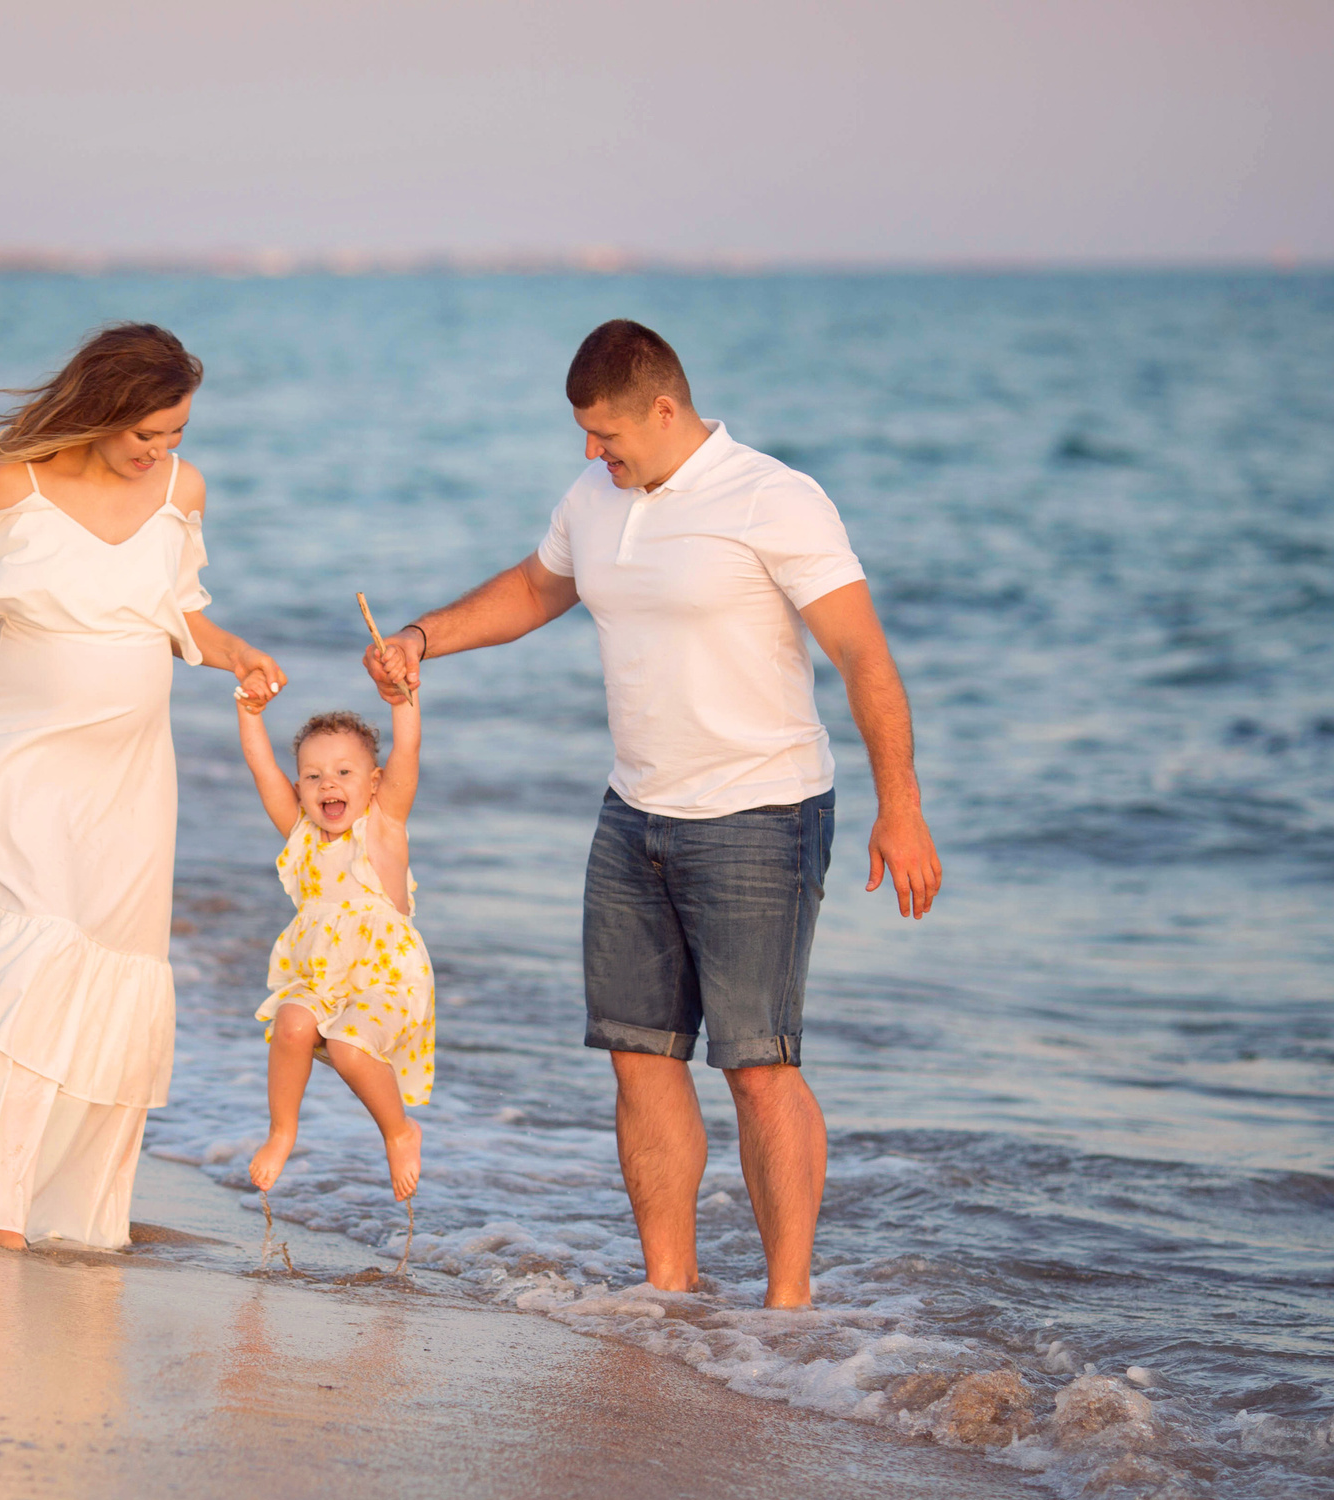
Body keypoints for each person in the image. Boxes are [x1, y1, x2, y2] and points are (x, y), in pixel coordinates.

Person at [363, 319, 941, 1308]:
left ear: (664, 410)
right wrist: (423, 638)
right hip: (634, 814)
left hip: (761, 811)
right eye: (585, 435)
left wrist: (903, 806)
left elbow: (862, 653)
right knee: (639, 1057)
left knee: (758, 1068)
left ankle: (789, 1312)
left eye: (607, 434)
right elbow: (536, 587)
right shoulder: (595, 498)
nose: (593, 452)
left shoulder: (773, 497)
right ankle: (668, 1295)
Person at [0, 323, 284, 1251]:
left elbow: (179, 615)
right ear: (101, 409)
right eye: (145, 433)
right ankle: (1, 1209)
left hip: (131, 784)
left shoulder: (183, 492)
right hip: (23, 763)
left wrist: (236, 653)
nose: (160, 450)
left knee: (116, 982)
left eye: (176, 432)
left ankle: (83, 1217)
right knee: (24, 970)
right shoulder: (12, 486)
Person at [236, 693, 432, 1203]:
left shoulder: (383, 825)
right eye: (313, 776)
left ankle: (399, 1132)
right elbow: (262, 768)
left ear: (374, 782)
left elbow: (408, 749)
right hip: (322, 982)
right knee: (291, 1023)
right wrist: (249, 709)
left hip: (387, 983)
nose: (328, 783)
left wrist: (403, 696)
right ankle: (282, 1132)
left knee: (349, 1046)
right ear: (299, 788)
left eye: (344, 772)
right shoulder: (300, 833)